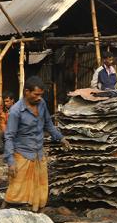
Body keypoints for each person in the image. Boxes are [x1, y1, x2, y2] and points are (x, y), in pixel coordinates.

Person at [4, 76, 71, 211]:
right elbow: (9, 137)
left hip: (38, 153)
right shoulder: (16, 111)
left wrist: (60, 138)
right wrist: (11, 161)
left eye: (41, 95)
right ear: (27, 92)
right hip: (23, 154)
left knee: (38, 189)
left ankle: (34, 212)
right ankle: (7, 212)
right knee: (15, 193)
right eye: (36, 94)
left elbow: (48, 124)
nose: (39, 97)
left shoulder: (42, 104)